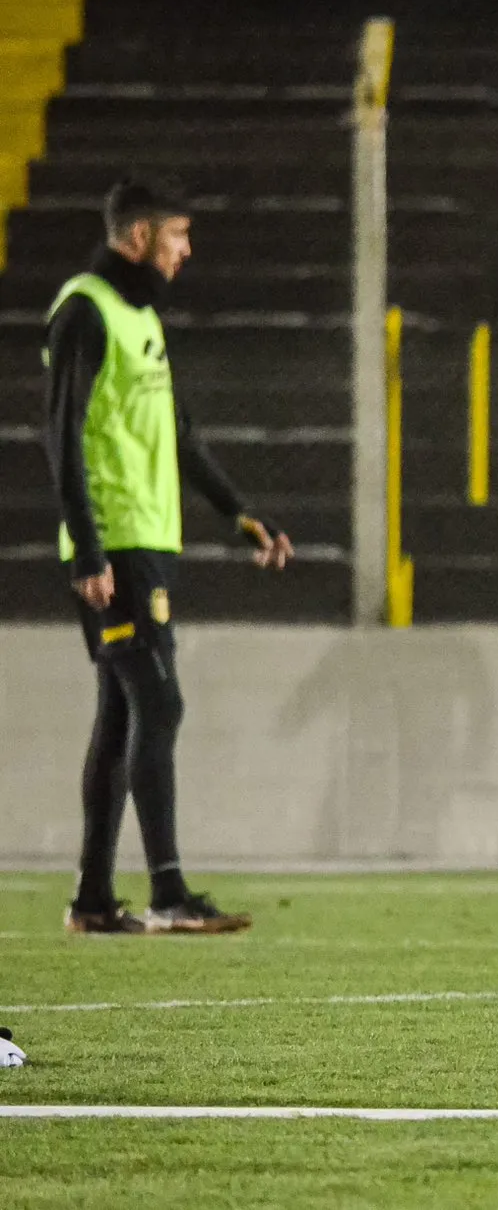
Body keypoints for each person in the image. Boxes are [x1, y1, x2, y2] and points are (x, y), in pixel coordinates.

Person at [43, 177, 293, 935]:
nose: (187, 251)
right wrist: (88, 551)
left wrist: (240, 515)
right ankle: (168, 893)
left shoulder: (141, 316)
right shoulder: (85, 310)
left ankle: (93, 900)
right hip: (112, 548)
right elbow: (60, 435)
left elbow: (179, 437)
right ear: (140, 236)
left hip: (147, 544)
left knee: (122, 711)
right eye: (177, 236)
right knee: (159, 703)